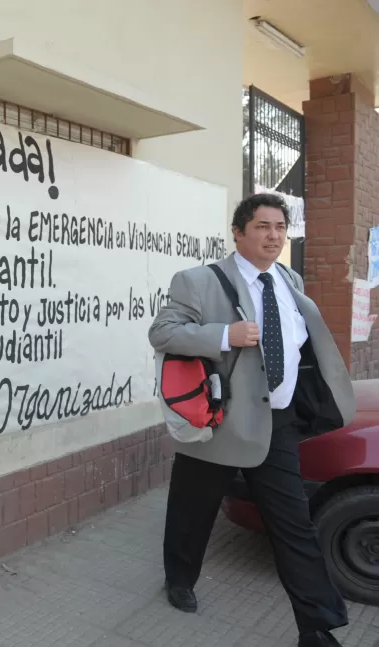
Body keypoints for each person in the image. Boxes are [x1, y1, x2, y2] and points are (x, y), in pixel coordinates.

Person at [148, 193, 355, 647]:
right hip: (218, 422)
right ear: (238, 233)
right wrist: (225, 334)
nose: (274, 236)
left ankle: (316, 627)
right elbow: (162, 332)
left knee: (294, 524)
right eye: (262, 227)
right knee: (192, 511)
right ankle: (179, 579)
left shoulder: (288, 278)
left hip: (276, 423)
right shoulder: (199, 281)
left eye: (280, 227)